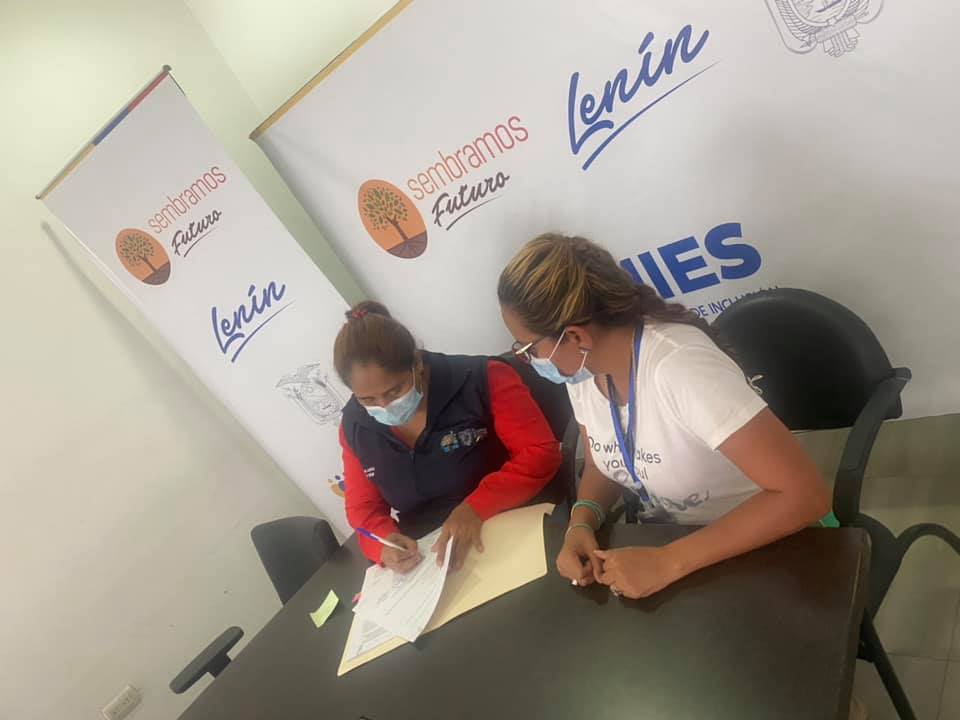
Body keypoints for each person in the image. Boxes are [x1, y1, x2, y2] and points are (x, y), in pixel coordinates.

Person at [497, 234, 830, 599]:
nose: (527, 360)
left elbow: (804, 496)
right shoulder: (584, 371)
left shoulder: (679, 368)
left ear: (575, 336)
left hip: (771, 543)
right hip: (685, 546)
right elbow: (602, 464)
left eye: (528, 349)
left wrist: (668, 561)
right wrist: (582, 521)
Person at [335, 301, 562, 573]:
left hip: (510, 521)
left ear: (417, 364)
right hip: (430, 557)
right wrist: (383, 544)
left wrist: (476, 506)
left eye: (395, 391)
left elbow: (540, 453)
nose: (384, 406)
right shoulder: (354, 426)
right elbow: (364, 508)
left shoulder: (481, 378)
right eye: (368, 400)